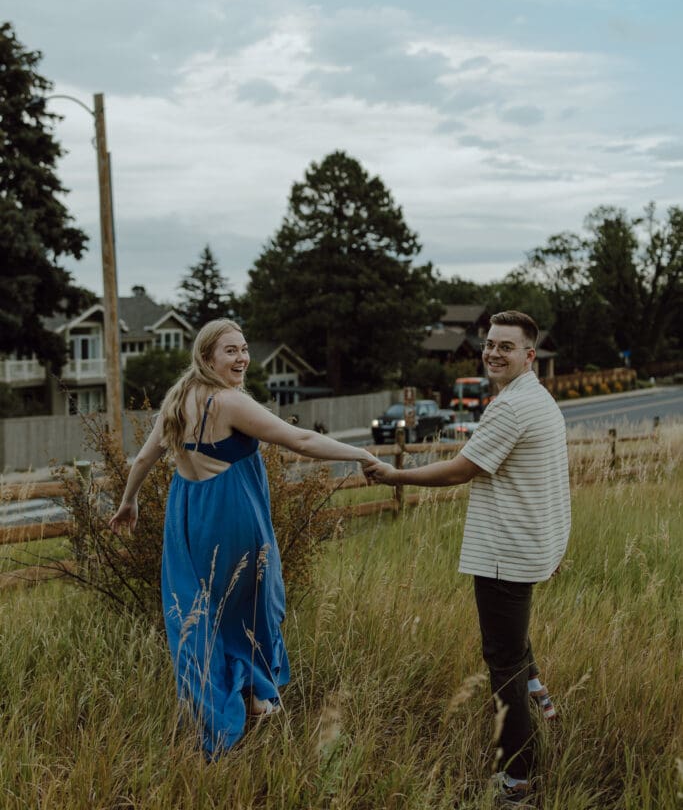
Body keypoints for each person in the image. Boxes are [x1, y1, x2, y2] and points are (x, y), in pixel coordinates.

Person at [110, 318, 380, 758]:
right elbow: (300, 439)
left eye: (244, 349)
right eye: (230, 351)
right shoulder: (229, 402)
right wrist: (361, 453)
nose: (242, 358)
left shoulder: (178, 398)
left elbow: (142, 459)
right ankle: (251, 702)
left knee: (201, 612)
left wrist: (129, 501)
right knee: (250, 607)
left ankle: (229, 705)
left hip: (187, 517)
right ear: (207, 357)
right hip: (232, 513)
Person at [365, 311, 570, 806]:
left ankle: (517, 780)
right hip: (529, 545)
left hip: (505, 553)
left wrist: (396, 476)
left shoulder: (511, 407)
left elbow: (462, 469)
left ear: (529, 355)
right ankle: (543, 703)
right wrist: (555, 545)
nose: (494, 352)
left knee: (503, 661)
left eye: (506, 346)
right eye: (490, 344)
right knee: (512, 639)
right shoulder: (539, 399)